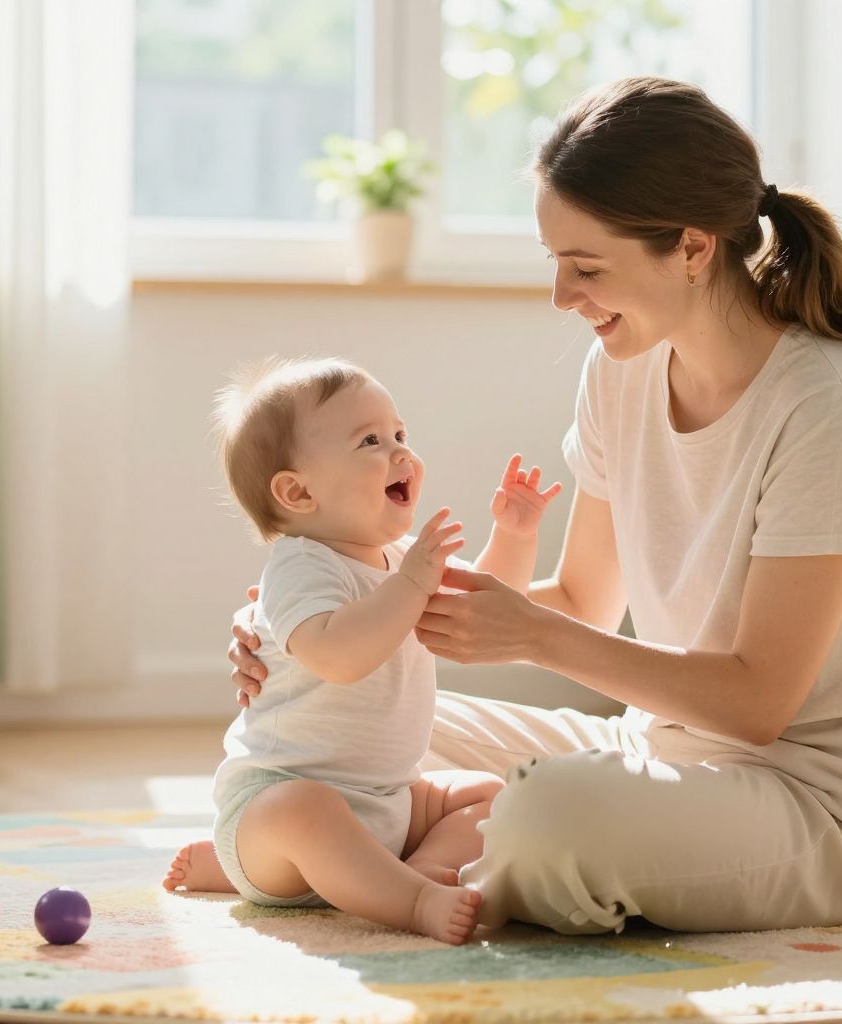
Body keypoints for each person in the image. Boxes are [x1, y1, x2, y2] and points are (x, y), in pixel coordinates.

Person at [226, 76, 842, 936]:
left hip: (816, 808)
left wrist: (533, 635)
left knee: (547, 817)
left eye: (587, 267)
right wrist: (308, 627)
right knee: (331, 732)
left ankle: (411, 873)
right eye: (555, 263)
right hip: (655, 753)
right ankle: (416, 871)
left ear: (691, 246)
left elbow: (760, 705)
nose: (563, 297)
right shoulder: (621, 370)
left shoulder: (828, 405)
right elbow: (582, 603)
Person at [168, 355, 562, 944]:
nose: (402, 453)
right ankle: (409, 900)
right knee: (309, 814)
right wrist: (411, 585)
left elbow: (482, 608)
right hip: (278, 803)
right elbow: (338, 656)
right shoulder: (300, 566)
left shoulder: (401, 560)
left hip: (391, 801)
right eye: (371, 441)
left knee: (486, 793)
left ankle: (423, 869)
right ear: (298, 491)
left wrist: (514, 535)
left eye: (401, 434)